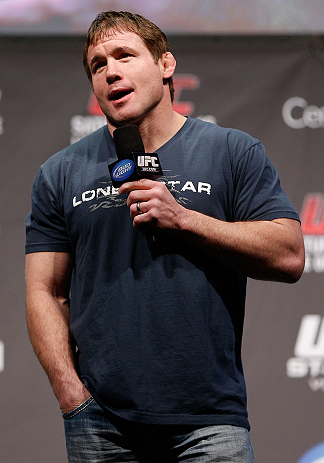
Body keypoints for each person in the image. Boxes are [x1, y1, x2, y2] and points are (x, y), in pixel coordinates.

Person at [25, 10, 305, 463]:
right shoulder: (60, 173)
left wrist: (184, 219)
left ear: (166, 65)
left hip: (211, 422)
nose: (111, 71)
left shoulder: (232, 151)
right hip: (101, 424)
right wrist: (71, 395)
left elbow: (290, 255)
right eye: (98, 65)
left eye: (124, 55)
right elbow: (45, 290)